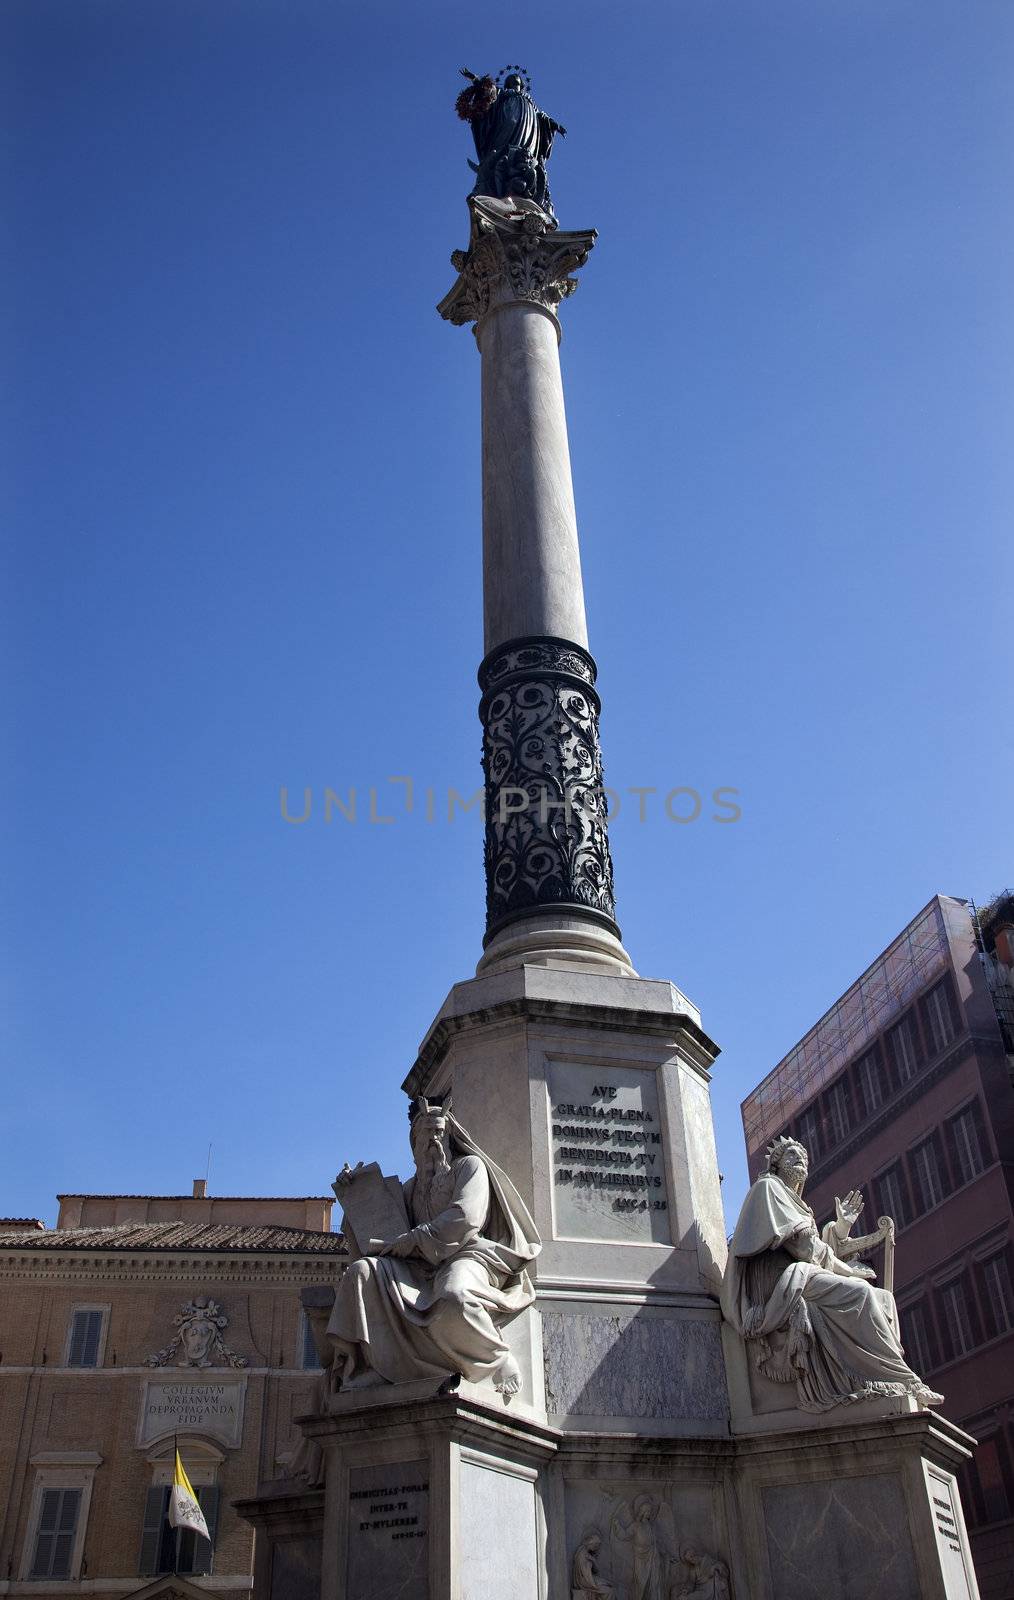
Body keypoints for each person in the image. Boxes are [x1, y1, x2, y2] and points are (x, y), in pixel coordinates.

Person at [326, 1098, 540, 1399]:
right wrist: (356, 1197)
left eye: (439, 1133)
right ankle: (371, 1366)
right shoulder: (409, 1189)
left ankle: (496, 1358)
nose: (432, 1141)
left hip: (468, 1254)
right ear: (413, 1145)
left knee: (454, 1296)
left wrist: (411, 1240)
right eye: (425, 1136)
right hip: (418, 1266)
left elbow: (465, 1219)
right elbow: (376, 1233)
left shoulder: (469, 1167)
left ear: (450, 1137)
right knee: (361, 1272)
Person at [721, 1135, 943, 1413]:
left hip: (802, 1275)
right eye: (790, 1155)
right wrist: (851, 1271)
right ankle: (897, 1378)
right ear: (775, 1166)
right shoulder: (768, 1188)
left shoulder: (794, 1203)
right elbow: (803, 1247)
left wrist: (840, 1229)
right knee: (860, 1293)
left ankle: (876, 1379)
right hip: (780, 1284)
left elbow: (818, 1249)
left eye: (802, 1156)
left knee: (883, 1297)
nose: (799, 1160)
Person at [456, 67, 566, 218]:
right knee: (505, 145)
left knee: (527, 151)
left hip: (529, 124)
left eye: (517, 80)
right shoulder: (503, 94)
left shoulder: (529, 100)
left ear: (521, 84)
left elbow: (541, 116)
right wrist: (475, 78)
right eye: (511, 80)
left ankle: (523, 166)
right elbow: (489, 89)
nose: (514, 81)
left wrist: (553, 124)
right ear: (507, 84)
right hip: (507, 117)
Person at [571, 1529, 615, 1599]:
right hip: (585, 1581)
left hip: (589, 1579)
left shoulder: (586, 1553)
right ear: (591, 1543)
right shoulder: (582, 1554)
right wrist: (598, 1584)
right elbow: (587, 1576)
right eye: (596, 1546)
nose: (596, 1548)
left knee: (609, 1585)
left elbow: (595, 1571)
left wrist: (593, 1560)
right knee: (609, 1591)